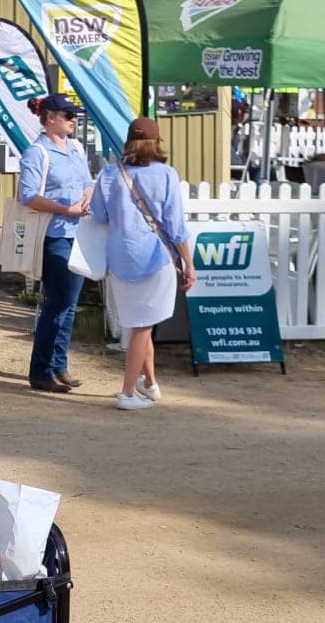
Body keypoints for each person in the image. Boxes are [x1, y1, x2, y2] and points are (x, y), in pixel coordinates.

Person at [88, 117, 197, 411]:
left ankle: (149, 383)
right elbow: (175, 226)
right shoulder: (166, 174)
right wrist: (188, 262)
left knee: (141, 324)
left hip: (120, 258)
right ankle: (126, 392)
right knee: (143, 327)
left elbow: (98, 214)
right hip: (155, 256)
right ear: (157, 141)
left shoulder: (111, 173)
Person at [21, 94, 93, 394]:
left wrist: (88, 195)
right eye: (67, 115)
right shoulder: (37, 153)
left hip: (78, 233)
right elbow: (28, 196)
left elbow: (88, 181)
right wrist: (66, 210)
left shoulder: (75, 148)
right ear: (50, 117)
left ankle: (57, 364)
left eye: (73, 115)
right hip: (56, 234)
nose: (73, 120)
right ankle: (41, 370)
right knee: (59, 303)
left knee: (69, 305)